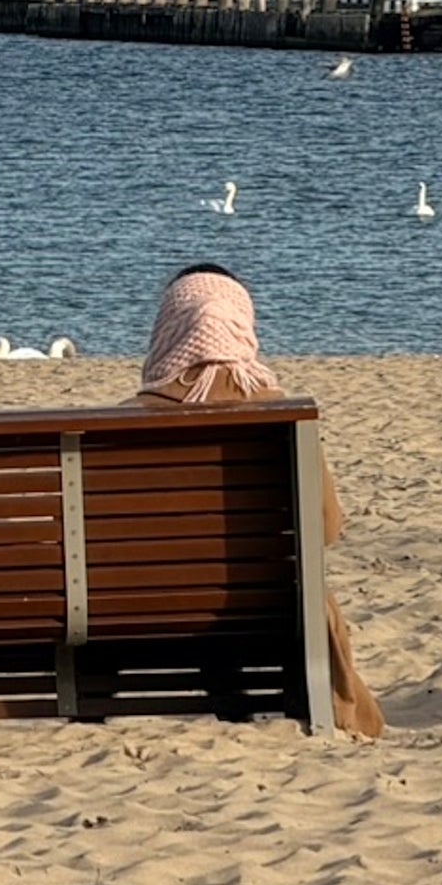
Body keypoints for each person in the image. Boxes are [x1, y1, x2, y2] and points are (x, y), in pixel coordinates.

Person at [139, 266, 386, 739]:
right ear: (242, 325)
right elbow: (327, 528)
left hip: (146, 609)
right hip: (272, 609)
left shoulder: (125, 423)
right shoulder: (284, 418)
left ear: (166, 328)